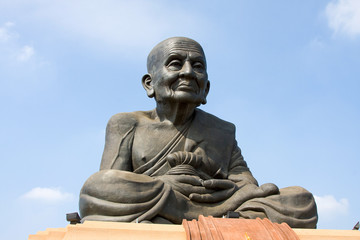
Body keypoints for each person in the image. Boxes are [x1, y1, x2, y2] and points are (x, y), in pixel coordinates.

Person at [79, 37, 318, 228]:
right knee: (99, 186)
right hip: (162, 198)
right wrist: (165, 184)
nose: (188, 72)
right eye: (175, 63)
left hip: (216, 203)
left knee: (300, 198)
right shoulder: (127, 123)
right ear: (149, 84)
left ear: (207, 87)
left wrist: (231, 188)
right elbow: (110, 183)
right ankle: (209, 219)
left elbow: (246, 182)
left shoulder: (222, 130)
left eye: (198, 66)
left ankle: (178, 218)